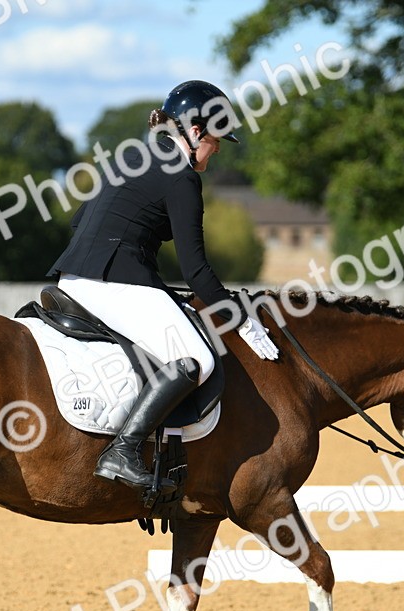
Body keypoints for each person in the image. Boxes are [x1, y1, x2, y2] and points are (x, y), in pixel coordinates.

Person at [46, 80, 279, 490]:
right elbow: (196, 269)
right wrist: (241, 319)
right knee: (198, 360)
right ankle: (123, 450)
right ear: (193, 131)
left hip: (74, 276)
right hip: (111, 282)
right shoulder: (182, 177)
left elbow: (80, 219)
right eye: (215, 138)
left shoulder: (133, 155)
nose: (218, 147)